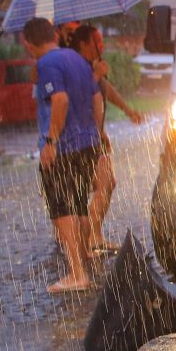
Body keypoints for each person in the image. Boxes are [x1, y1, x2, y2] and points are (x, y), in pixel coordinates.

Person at [20, 17, 104, 295]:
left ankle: (77, 273)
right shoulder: (78, 59)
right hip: (88, 143)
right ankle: (84, 261)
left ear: (27, 42)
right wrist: (97, 132)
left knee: (62, 211)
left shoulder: (47, 64)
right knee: (78, 204)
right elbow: (97, 99)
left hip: (64, 148)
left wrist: (50, 142)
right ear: (54, 35)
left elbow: (60, 100)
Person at [70, 24, 144, 252]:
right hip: (81, 139)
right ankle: (88, 238)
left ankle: (93, 236)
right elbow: (76, 96)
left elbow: (106, 90)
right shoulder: (75, 65)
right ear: (83, 44)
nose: (101, 45)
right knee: (102, 185)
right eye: (97, 41)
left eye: (101, 41)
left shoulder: (91, 67)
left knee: (106, 184)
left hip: (94, 137)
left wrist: (127, 110)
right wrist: (95, 75)